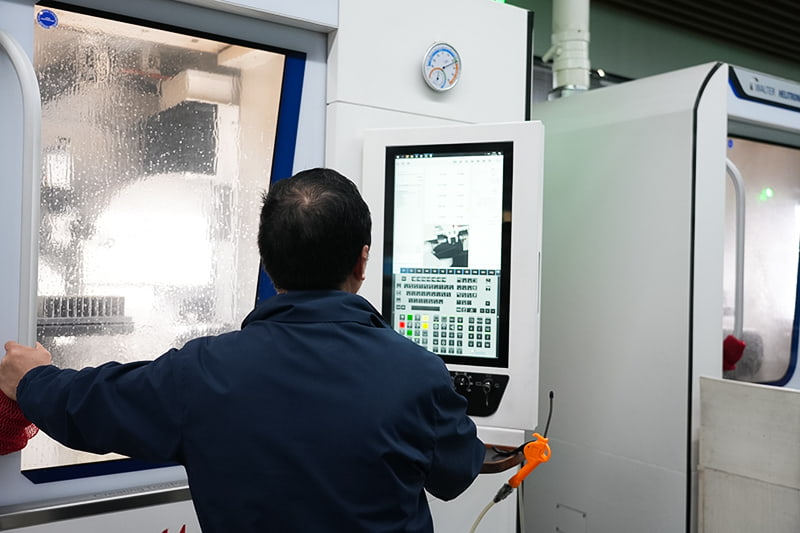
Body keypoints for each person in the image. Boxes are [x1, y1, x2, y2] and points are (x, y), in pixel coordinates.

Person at [0, 168, 485, 532]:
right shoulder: (418, 374)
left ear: (267, 263)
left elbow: (90, 405)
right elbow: (456, 474)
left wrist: (31, 378)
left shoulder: (202, 372)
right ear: (362, 262)